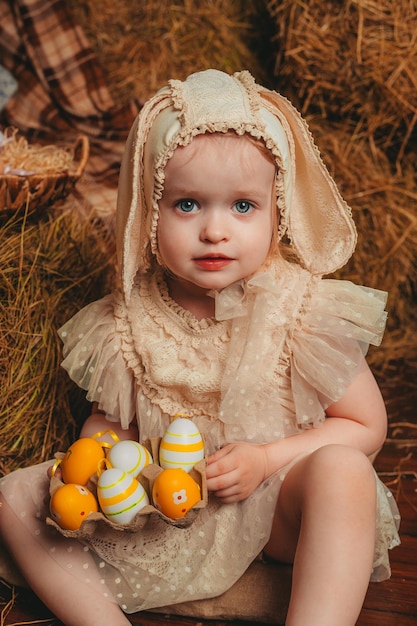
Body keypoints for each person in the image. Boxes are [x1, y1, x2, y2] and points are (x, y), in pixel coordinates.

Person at [0, 69, 400, 626]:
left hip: (276, 510)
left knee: (344, 472)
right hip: (173, 516)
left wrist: (266, 460)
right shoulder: (129, 319)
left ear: (277, 212)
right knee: (17, 496)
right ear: (148, 213)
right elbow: (106, 425)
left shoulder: (301, 308)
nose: (215, 231)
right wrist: (109, 459)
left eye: (242, 207)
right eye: (188, 205)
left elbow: (365, 427)